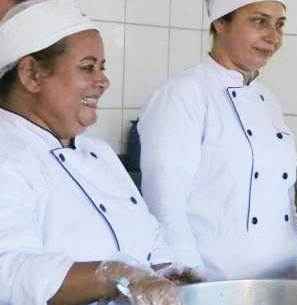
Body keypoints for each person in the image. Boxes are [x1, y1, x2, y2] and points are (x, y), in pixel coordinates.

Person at [0, 1, 196, 304]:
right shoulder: (6, 154)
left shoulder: (99, 154)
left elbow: (152, 242)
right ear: (31, 74)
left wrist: (172, 275)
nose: (103, 81)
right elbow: (9, 271)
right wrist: (119, 275)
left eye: (102, 68)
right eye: (88, 67)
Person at [138, 0, 297, 280]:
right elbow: (164, 206)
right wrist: (190, 282)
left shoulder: (268, 99)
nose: (273, 37)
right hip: (219, 280)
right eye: (259, 21)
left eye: (279, 25)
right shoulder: (183, 95)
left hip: (282, 276)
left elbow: (284, 200)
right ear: (220, 23)